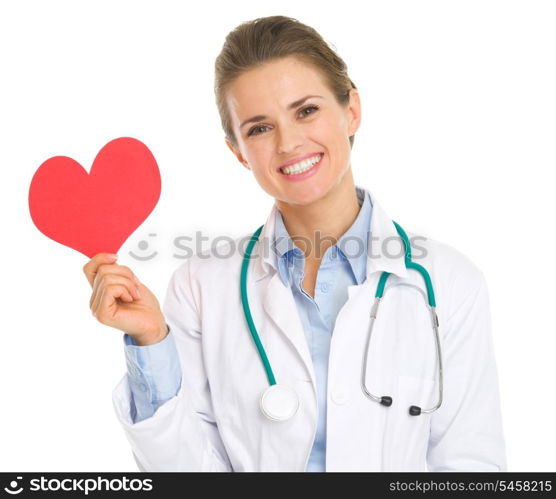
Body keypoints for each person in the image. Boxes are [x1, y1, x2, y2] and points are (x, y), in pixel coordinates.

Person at [83, 15, 507, 472]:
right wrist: (149, 340)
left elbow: (470, 467)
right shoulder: (199, 287)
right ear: (238, 152)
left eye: (306, 110)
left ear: (352, 111)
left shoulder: (449, 282)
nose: (288, 142)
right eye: (259, 128)